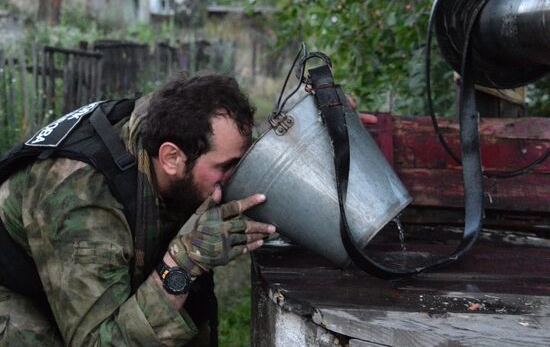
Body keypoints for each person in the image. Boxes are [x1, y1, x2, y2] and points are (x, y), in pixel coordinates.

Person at [0, 71, 377, 346]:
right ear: (171, 158)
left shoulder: (174, 130)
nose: (236, 179)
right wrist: (181, 263)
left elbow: (242, 157)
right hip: (17, 293)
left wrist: (319, 139)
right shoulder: (83, 202)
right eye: (228, 168)